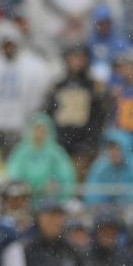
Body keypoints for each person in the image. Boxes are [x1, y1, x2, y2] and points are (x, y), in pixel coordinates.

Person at [0, 21, 59, 155]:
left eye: (12, 44)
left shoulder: (33, 65)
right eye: (6, 44)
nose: (9, 48)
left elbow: (45, 87)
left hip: (22, 128)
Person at [47, 44, 112, 174]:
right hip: (61, 143)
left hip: (85, 145)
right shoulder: (58, 86)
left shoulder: (94, 86)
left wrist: (89, 142)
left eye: (79, 58)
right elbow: (50, 114)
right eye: (72, 58)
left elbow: (99, 117)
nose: (76, 62)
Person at [4, 113, 77, 201]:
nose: (39, 133)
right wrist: (23, 185)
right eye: (37, 129)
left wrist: (55, 183)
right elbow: (13, 172)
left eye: (43, 130)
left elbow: (66, 174)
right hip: (25, 200)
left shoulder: (56, 152)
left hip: (51, 200)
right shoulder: (21, 151)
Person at [84, 129, 133, 207]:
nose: (113, 152)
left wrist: (122, 201)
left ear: (126, 148)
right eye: (110, 148)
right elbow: (91, 192)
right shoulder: (101, 165)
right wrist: (104, 205)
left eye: (117, 148)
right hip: (107, 212)